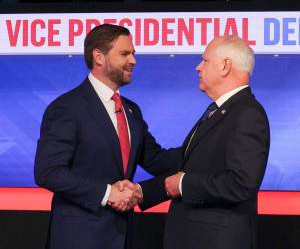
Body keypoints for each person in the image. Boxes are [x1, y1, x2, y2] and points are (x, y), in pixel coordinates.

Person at [34, 24, 180, 249]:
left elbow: (156, 160)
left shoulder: (131, 110)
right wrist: (107, 193)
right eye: (125, 54)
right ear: (99, 57)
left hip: (122, 235)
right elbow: (48, 172)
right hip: (78, 238)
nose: (133, 60)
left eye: (133, 53)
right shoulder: (67, 108)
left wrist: (201, 146)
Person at [139, 35, 270, 249]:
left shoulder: (246, 113)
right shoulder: (220, 112)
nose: (198, 67)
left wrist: (183, 184)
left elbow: (240, 184)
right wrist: (140, 191)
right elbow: (186, 163)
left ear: (225, 66)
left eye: (205, 60)